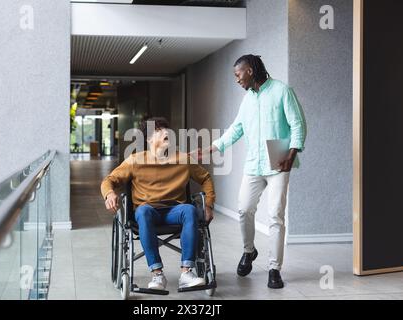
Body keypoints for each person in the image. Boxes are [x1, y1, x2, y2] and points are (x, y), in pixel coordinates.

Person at [198, 55, 307, 289]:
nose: (236, 80)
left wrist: (292, 154)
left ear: (249, 70)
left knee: (275, 214)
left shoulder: (281, 90)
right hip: (254, 164)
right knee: (244, 208)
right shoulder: (247, 100)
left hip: (279, 163)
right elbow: (236, 129)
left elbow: (298, 123)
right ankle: (249, 250)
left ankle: (274, 269)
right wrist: (211, 148)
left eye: (238, 75)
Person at [101, 117, 216, 291]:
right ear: (148, 139)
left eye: (165, 129)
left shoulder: (183, 158)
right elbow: (109, 180)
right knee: (143, 211)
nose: (165, 133)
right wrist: (109, 193)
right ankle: (157, 274)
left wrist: (208, 204)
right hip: (148, 213)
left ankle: (186, 273)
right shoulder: (135, 160)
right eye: (158, 131)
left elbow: (205, 178)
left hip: (174, 211)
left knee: (190, 209)